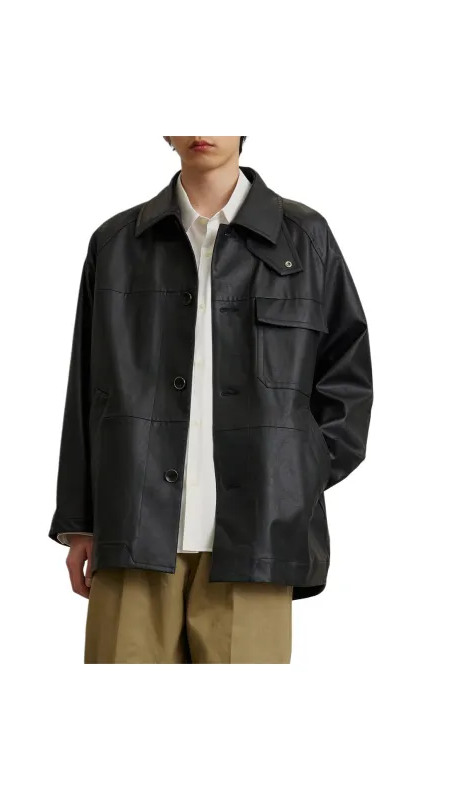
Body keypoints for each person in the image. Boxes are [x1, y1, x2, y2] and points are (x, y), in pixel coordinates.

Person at [48, 136, 373, 663]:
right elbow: (85, 388)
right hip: (132, 527)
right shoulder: (117, 244)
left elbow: (347, 379)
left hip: (257, 538)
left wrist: (293, 477)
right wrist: (79, 520)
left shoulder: (304, 236)